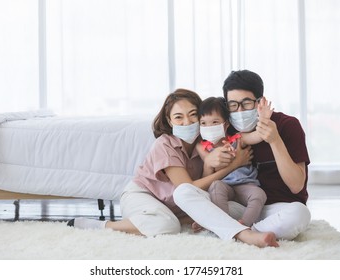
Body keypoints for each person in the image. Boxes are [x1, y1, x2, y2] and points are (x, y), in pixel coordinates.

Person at [67, 88, 279, 248]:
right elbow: (186, 188)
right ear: (170, 120)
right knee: (167, 227)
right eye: (179, 117)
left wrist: (208, 164)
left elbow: (202, 188)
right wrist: (235, 165)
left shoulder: (205, 144)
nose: (187, 121)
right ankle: (102, 226)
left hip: (177, 206)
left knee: (236, 208)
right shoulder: (165, 145)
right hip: (144, 196)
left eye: (193, 114)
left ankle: (188, 219)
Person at [174, 70, 311, 240]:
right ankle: (245, 234)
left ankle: (233, 231)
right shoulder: (225, 128)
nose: (239, 111)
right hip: (236, 205)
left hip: (276, 208)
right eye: (233, 105)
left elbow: (296, 185)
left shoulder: (287, 125)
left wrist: (275, 141)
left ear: (261, 101)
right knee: (183, 191)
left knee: (300, 214)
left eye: (246, 103)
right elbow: (211, 179)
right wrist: (209, 163)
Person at [197, 96, 273, 226]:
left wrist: (264, 120)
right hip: (223, 186)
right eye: (203, 123)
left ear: (225, 124)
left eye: (214, 122)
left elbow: (258, 136)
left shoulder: (238, 139)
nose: (208, 126)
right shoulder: (202, 147)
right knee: (215, 186)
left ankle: (244, 225)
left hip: (245, 184)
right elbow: (210, 168)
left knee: (259, 194)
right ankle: (222, 224)